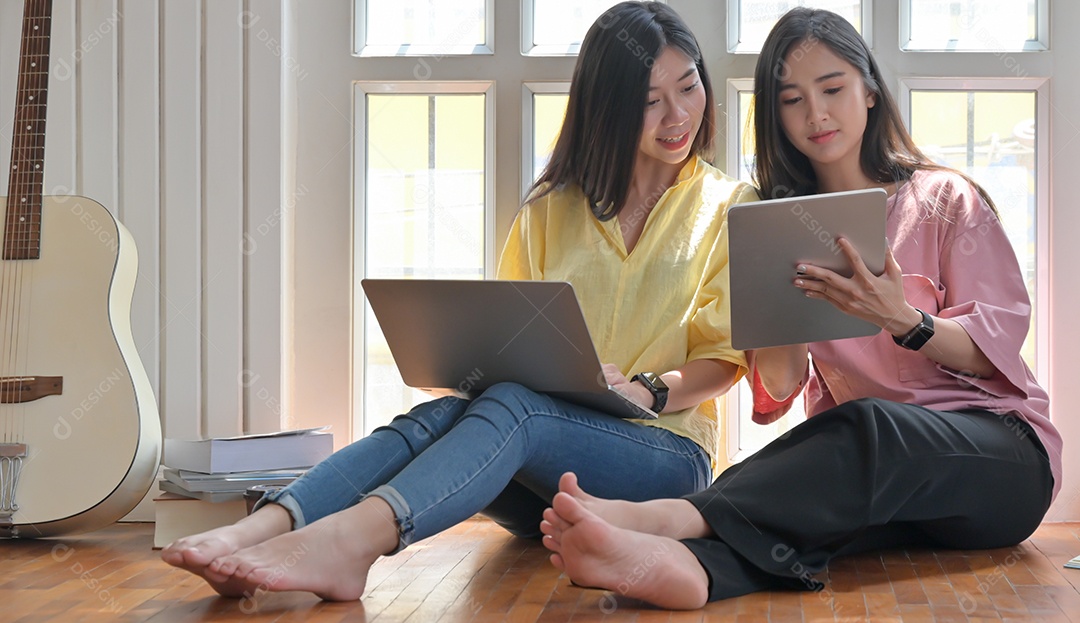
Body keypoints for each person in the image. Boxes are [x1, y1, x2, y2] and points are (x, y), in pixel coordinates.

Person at [161, 1, 757, 601]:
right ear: (608, 107)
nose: (678, 115)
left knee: (515, 408)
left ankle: (350, 544)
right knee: (448, 412)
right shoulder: (551, 210)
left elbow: (724, 360)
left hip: (664, 458)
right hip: (538, 483)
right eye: (651, 101)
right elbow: (513, 344)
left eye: (689, 87)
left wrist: (642, 389)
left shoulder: (731, 206)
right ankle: (259, 527)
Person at [539, 7, 1062, 610]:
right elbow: (779, 392)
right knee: (811, 513)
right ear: (776, 116)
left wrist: (903, 319)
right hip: (877, 478)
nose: (816, 114)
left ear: (869, 90)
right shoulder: (782, 225)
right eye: (791, 100)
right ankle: (692, 572)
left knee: (870, 424)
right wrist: (780, 305)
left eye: (833, 89)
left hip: (1001, 462)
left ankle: (664, 519)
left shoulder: (945, 200)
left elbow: (990, 354)